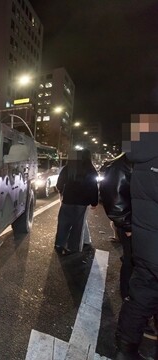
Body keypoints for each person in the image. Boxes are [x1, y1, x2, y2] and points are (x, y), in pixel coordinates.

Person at [115, 114, 158, 359]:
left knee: (140, 298)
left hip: (145, 244)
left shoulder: (140, 159)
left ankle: (125, 351)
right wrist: (124, 223)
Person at [100, 153, 133, 299]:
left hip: (142, 224)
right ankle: (129, 297)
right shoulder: (125, 162)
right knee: (132, 262)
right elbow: (113, 195)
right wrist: (128, 225)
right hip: (136, 227)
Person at [54, 149, 99, 255]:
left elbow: (60, 182)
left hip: (68, 200)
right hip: (82, 203)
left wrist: (61, 191)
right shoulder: (90, 169)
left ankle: (59, 244)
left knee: (63, 223)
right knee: (77, 226)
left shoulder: (69, 167)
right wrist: (94, 202)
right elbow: (93, 187)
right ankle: (72, 247)